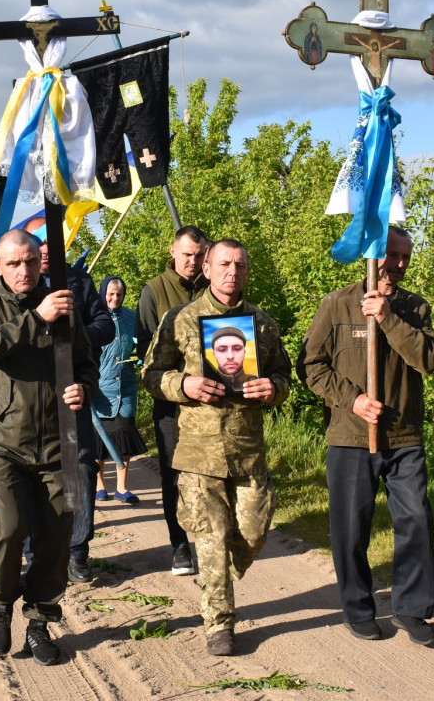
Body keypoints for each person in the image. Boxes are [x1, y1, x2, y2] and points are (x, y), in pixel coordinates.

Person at [142, 239, 291, 656]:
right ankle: (219, 623)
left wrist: (272, 389)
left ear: (247, 271)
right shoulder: (180, 320)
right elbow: (152, 375)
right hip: (199, 450)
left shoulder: (261, 324)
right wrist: (183, 385)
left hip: (247, 448)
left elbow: (284, 376)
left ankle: (218, 573)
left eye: (240, 265)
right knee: (211, 536)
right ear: (207, 268)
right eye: (224, 264)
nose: (232, 272)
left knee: (253, 532)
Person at [296, 225, 434, 646]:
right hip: (350, 436)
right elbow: (311, 366)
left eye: (405, 257)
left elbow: (427, 360)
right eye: (390, 255)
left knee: (415, 518)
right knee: (351, 528)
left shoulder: (415, 308)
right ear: (372, 254)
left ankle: (411, 609)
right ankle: (358, 607)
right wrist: (353, 400)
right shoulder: (337, 304)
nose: (397, 265)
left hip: (404, 436)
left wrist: (388, 318)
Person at [0, 229, 98, 666]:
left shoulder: (64, 304)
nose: (24, 271)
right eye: (14, 264)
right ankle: (0, 604)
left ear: (41, 263)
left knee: (57, 536)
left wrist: (84, 388)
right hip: (6, 442)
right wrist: (37, 317)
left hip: (59, 439)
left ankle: (40, 621)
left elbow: (84, 362)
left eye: (31, 262)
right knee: (8, 529)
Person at [22, 217, 113, 584]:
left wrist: (73, 338)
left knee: (80, 469)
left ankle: (77, 550)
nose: (45, 251)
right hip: (29, 399)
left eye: (50, 243)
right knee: (33, 472)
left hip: (74, 393)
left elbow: (105, 324)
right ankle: (35, 552)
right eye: (37, 244)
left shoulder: (79, 281)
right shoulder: (15, 284)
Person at [135, 224, 210, 575]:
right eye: (186, 255)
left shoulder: (216, 286)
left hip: (214, 399)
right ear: (173, 252)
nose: (192, 262)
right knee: (174, 474)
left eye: (198, 256)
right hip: (172, 402)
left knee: (212, 473)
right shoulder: (154, 292)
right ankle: (180, 545)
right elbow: (148, 357)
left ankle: (212, 541)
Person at [92, 276, 145, 504]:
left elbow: (141, 345)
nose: (115, 298)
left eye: (119, 294)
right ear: (103, 293)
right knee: (99, 441)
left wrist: (140, 358)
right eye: (111, 294)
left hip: (126, 388)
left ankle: (122, 488)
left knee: (124, 436)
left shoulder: (132, 318)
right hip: (100, 390)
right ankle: (99, 486)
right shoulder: (93, 318)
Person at [209, 327, 251, 393]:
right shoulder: (205, 382)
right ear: (214, 355)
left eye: (237, 349)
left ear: (244, 352)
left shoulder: (256, 381)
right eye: (222, 350)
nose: (230, 356)